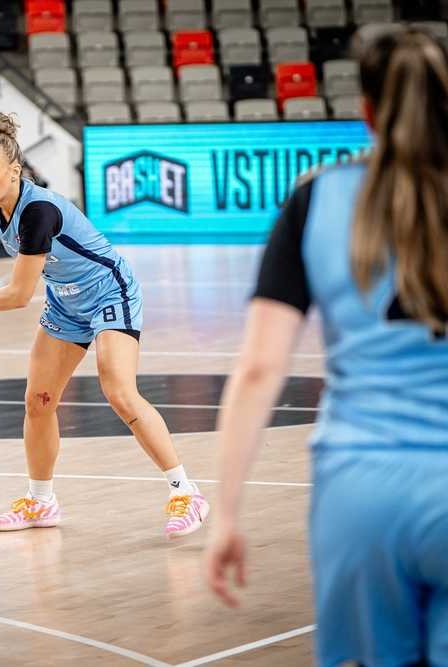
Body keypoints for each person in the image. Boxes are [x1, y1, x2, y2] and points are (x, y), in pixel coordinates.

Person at [204, 28, 448, 667]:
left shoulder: (316, 198)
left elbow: (259, 369)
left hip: (360, 491)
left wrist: (225, 512)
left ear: (365, 110)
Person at [0, 113, 209, 537]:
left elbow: (19, 295)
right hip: (65, 301)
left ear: (15, 171)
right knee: (38, 401)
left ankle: (186, 492)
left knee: (119, 391)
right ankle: (41, 501)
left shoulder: (37, 212)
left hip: (109, 291)